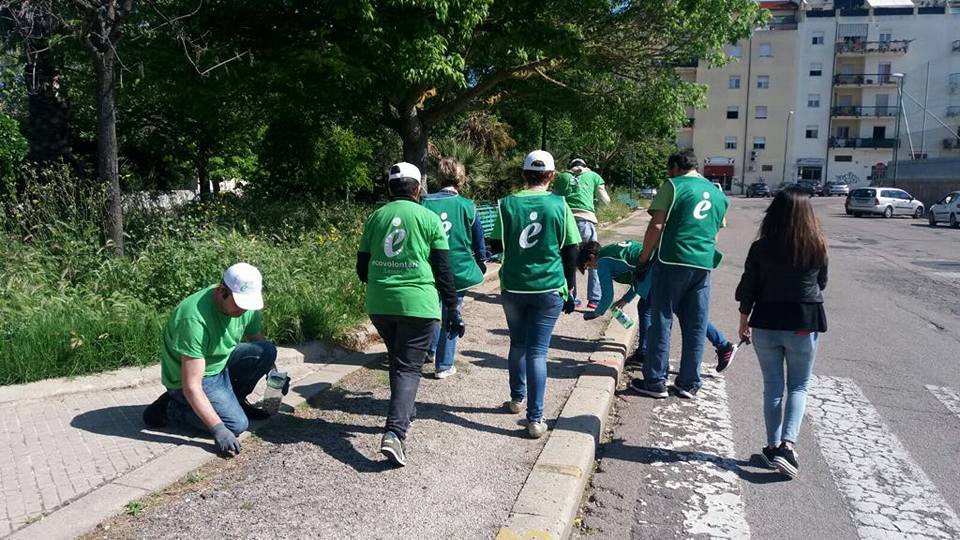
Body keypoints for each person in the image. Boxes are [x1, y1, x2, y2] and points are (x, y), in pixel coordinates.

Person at [356, 161, 463, 467]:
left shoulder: (375, 218)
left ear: (390, 189)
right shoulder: (428, 218)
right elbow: (443, 269)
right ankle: (395, 432)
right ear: (418, 189)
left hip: (380, 304)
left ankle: (404, 410)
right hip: (419, 305)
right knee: (408, 367)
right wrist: (453, 307)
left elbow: (362, 268)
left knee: (399, 360)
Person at [735, 188, 828, 479]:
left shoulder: (761, 247)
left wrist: (743, 319)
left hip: (766, 320)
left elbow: (748, 286)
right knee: (798, 386)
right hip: (803, 320)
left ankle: (773, 447)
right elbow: (821, 283)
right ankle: (788, 446)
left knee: (773, 386)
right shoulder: (817, 246)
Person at [490, 150, 581, 438]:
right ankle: (536, 418)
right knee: (538, 352)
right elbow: (571, 248)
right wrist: (571, 287)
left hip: (514, 286)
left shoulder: (506, 204)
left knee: (517, 344)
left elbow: (495, 246)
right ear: (552, 175)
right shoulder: (559, 204)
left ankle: (517, 399)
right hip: (549, 287)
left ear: (524, 174)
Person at [142, 263, 276, 456]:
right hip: (192, 378)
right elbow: (192, 386)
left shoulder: (245, 307)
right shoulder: (193, 319)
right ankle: (170, 408)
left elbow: (256, 341)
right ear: (222, 291)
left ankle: (235, 401)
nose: (244, 311)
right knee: (236, 425)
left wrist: (274, 372)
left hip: (221, 364)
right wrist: (218, 429)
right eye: (240, 304)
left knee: (266, 351)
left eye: (248, 305)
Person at [632, 149, 728, 399]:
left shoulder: (673, 187)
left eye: (668, 169)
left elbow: (656, 225)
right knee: (696, 322)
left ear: (675, 166)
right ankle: (688, 382)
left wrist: (644, 258)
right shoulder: (717, 194)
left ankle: (655, 380)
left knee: (661, 317)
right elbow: (716, 231)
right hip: (703, 263)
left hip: (672, 259)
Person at [577, 241, 738, 371]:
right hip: (660, 268)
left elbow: (607, 296)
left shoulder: (603, 262)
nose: (592, 269)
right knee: (649, 307)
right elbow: (635, 273)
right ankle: (643, 352)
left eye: (588, 266)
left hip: (657, 276)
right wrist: (626, 299)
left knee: (684, 313)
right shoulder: (613, 249)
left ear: (592, 257)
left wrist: (597, 313)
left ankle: (723, 346)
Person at [422, 157, 488, 379]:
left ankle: (428, 351)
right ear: (461, 179)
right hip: (457, 269)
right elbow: (479, 242)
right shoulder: (468, 206)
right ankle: (444, 364)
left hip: (430, 266)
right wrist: (481, 263)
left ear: (439, 177)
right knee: (452, 310)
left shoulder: (424, 202)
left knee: (432, 309)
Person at [552, 158, 610, 310]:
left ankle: (572, 297)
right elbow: (606, 200)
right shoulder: (594, 176)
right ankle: (594, 299)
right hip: (586, 221)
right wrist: (594, 202)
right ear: (585, 166)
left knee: (569, 260)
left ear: (569, 166)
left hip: (567, 223)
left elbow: (554, 199)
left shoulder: (562, 177)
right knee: (594, 259)